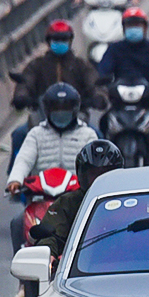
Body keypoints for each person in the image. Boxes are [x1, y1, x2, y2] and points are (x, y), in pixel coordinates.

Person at [8, 83, 101, 260]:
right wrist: (15, 180)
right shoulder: (36, 134)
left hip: (76, 200)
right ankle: (22, 277)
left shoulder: (87, 134)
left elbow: (95, 166)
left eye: (65, 108)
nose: (61, 112)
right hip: (42, 198)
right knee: (18, 223)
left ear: (75, 109)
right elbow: (24, 160)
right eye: (56, 108)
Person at [95, 8, 149, 161]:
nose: (134, 28)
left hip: (148, 98)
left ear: (145, 27)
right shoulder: (114, 49)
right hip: (121, 99)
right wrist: (102, 80)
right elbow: (103, 69)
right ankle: (104, 158)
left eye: (137, 25)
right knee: (103, 122)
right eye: (130, 25)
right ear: (124, 28)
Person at [11, 20, 99, 155]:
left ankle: (103, 173)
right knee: (18, 135)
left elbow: (93, 83)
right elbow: (26, 82)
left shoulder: (81, 65)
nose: (60, 42)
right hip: (43, 117)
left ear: (70, 41)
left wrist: (98, 97)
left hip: (77, 117)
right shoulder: (37, 65)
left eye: (63, 39)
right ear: (48, 41)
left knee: (99, 137)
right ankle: (14, 174)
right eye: (56, 39)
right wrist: (21, 96)